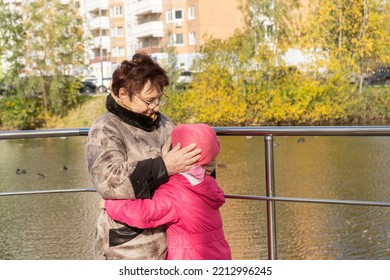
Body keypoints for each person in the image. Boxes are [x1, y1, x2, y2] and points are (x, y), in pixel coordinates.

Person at [86, 53, 202, 260]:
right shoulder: (105, 128)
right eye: (149, 100)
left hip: (171, 238)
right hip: (128, 245)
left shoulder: (163, 123)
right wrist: (164, 167)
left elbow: (190, 173)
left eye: (160, 98)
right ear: (123, 94)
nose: (156, 107)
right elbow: (109, 181)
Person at [104, 123, 232, 260]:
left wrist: (111, 203)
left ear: (177, 153)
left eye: (166, 144)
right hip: (219, 254)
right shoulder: (207, 181)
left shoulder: (175, 191)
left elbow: (143, 214)